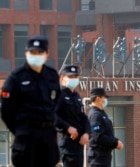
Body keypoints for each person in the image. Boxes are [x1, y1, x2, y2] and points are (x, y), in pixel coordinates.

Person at [0, 35, 61, 167]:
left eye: (39, 52)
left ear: (47, 54)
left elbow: (57, 101)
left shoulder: (52, 75)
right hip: (26, 137)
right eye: (32, 52)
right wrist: (21, 129)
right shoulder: (16, 77)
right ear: (26, 53)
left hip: (48, 137)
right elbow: (6, 110)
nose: (36, 55)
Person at [55, 64, 91, 167]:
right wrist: (67, 128)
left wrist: (87, 133)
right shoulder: (59, 94)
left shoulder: (76, 96)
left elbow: (83, 117)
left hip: (78, 144)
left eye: (75, 77)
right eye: (70, 77)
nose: (73, 79)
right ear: (62, 78)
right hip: (67, 143)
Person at [87, 87, 124, 167]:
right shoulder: (95, 115)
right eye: (104, 97)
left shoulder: (101, 113)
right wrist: (115, 143)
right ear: (98, 98)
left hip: (104, 156)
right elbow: (98, 136)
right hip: (98, 157)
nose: (105, 100)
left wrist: (116, 141)